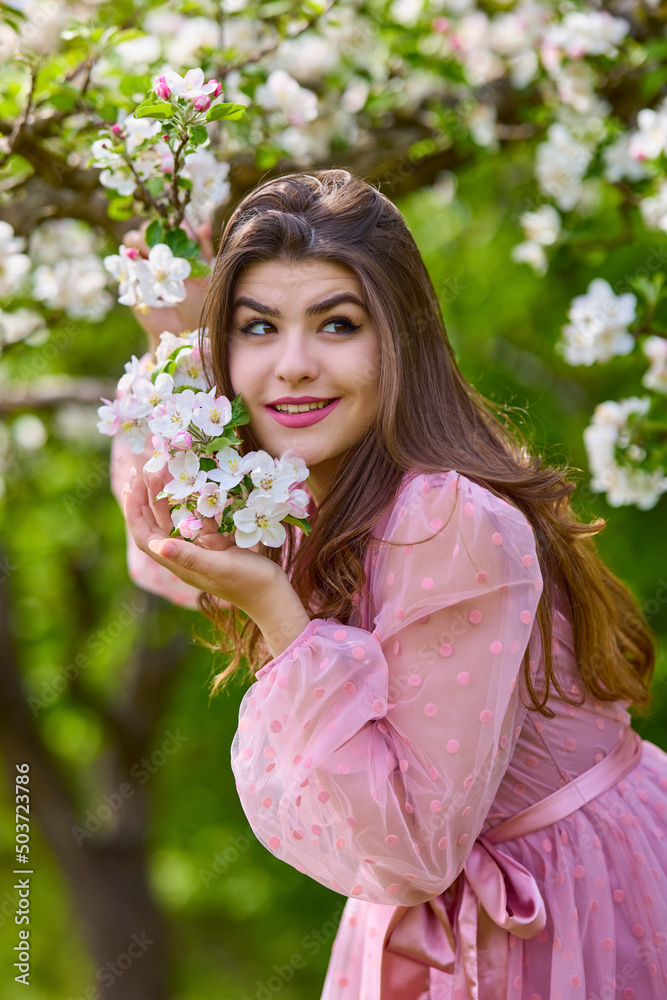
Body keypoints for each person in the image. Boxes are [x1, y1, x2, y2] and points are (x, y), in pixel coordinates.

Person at [113, 168, 667, 1000]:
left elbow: (410, 850)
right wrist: (172, 350)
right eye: (257, 328)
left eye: (337, 324)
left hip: (564, 903)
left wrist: (276, 610)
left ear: (398, 337)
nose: (293, 366)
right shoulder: (303, 492)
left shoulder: (444, 519)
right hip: (426, 908)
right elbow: (160, 554)